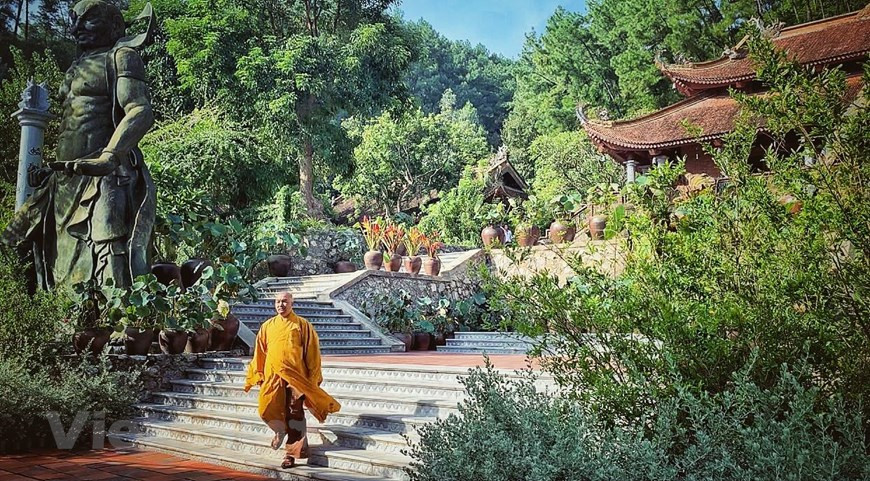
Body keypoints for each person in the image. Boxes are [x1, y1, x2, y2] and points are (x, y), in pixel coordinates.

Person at [2, 0, 156, 289]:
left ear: (114, 25)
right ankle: (41, 309)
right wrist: (52, 169)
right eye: (74, 20)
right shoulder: (76, 67)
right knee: (16, 238)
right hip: (63, 180)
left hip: (103, 178)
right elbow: (72, 125)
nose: (77, 27)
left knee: (107, 247)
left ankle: (117, 314)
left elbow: (140, 110)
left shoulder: (122, 57)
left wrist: (109, 156)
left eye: (89, 20)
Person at [244, 291, 341, 469]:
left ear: (291, 304)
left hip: (296, 377)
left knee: (295, 414)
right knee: (265, 408)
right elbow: (260, 352)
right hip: (273, 376)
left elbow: (312, 352)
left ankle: (291, 454)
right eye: (278, 302)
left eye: (284, 302)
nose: (281, 305)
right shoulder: (267, 326)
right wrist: (259, 373)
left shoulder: (302, 325)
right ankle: (279, 430)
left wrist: (312, 377)